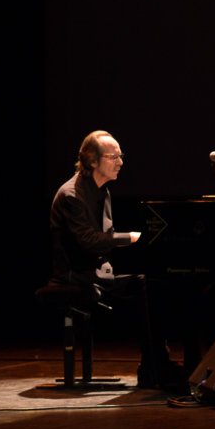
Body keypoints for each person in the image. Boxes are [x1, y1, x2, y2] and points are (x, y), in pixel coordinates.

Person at [48, 130, 172, 388]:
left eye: (120, 155)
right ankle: (154, 366)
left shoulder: (102, 191)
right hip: (75, 277)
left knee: (154, 284)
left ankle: (155, 364)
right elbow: (89, 241)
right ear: (92, 161)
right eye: (113, 156)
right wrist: (131, 238)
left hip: (95, 273)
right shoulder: (72, 195)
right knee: (146, 286)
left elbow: (105, 237)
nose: (120, 161)